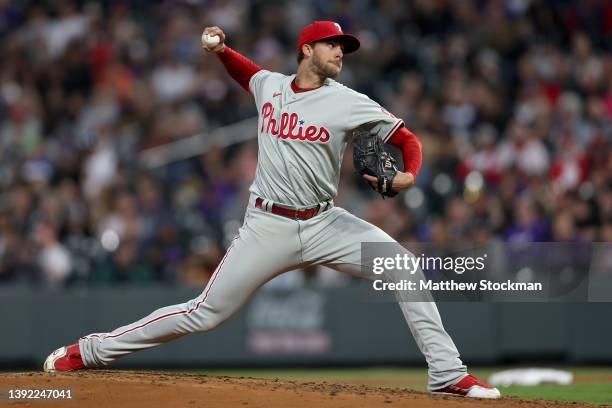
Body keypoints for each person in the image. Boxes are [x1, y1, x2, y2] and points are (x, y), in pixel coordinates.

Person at [44, 21, 500, 399]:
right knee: (204, 312)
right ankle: (88, 351)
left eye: (343, 46)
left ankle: (446, 373)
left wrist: (410, 174)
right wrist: (223, 50)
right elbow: (247, 74)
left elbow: (407, 139)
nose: (340, 52)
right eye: (332, 45)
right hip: (267, 224)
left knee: (402, 266)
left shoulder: (348, 100)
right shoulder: (271, 87)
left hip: (325, 222)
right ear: (307, 50)